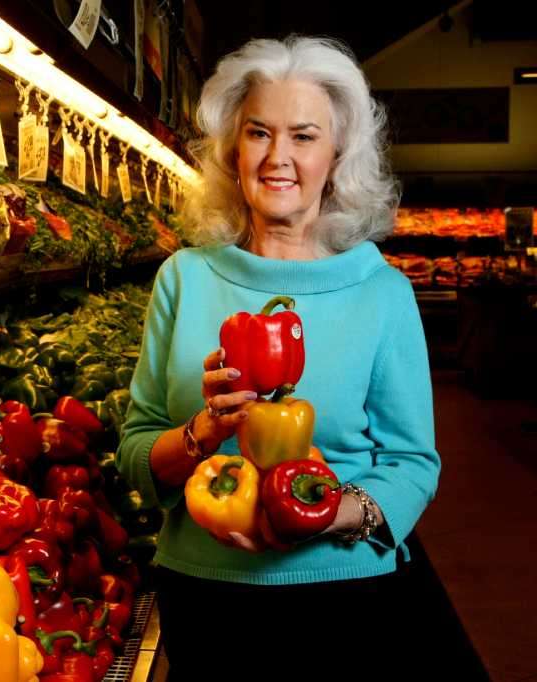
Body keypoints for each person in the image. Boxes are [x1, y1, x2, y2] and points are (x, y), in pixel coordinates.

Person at [117, 36, 481, 679]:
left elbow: (411, 462)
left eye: (304, 136)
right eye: (259, 132)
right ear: (233, 148)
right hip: (205, 594)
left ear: (338, 154)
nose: (277, 157)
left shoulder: (383, 292)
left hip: (346, 596)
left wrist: (319, 515)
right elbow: (137, 451)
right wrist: (204, 433)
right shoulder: (184, 278)